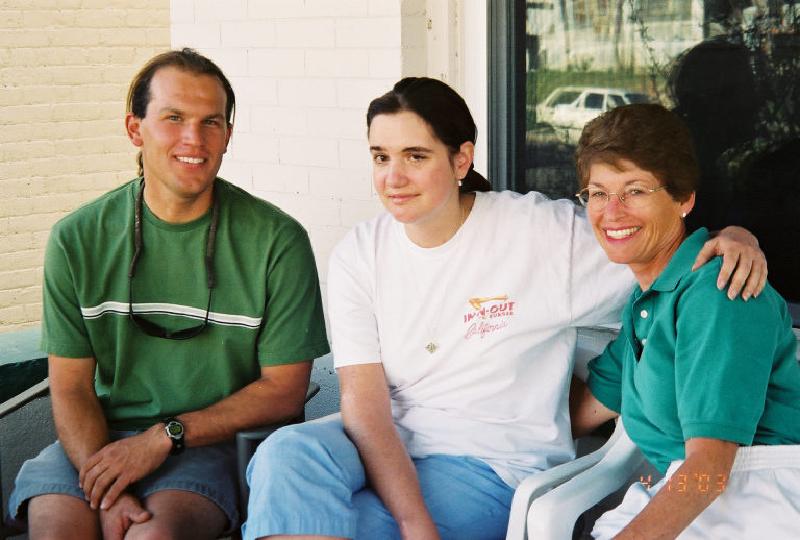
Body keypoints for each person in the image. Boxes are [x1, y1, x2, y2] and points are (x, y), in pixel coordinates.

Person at [242, 78, 766, 540]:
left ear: (461, 159)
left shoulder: (547, 240)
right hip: (386, 442)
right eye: (381, 156)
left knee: (322, 524)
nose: (393, 177)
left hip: (491, 463)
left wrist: (735, 238)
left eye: (416, 155)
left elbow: (663, 248)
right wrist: (414, 521)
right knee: (284, 454)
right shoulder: (361, 251)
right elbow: (366, 408)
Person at [7, 48, 329, 540]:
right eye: (173, 118)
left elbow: (284, 391)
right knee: (57, 531)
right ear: (135, 128)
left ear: (228, 134)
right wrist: (110, 487)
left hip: (210, 443)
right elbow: (71, 386)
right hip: (96, 442)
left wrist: (165, 437)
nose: (193, 140)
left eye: (211, 122)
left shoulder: (275, 240)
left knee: (152, 536)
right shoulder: (78, 238)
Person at [569, 103, 800, 538]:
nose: (612, 211)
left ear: (684, 199)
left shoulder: (718, 292)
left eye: (635, 190)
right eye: (598, 193)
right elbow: (581, 412)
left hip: (759, 501)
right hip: (700, 500)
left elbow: (710, 471)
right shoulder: (646, 302)